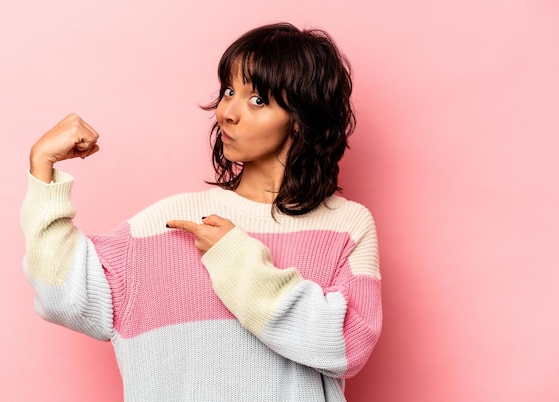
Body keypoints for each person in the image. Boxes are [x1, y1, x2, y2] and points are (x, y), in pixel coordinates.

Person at [21, 22, 382, 401]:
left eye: (257, 99)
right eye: (228, 90)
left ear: (303, 117)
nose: (227, 111)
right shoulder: (169, 223)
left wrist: (236, 260)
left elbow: (348, 344)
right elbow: (62, 292)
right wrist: (42, 166)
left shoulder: (347, 226)